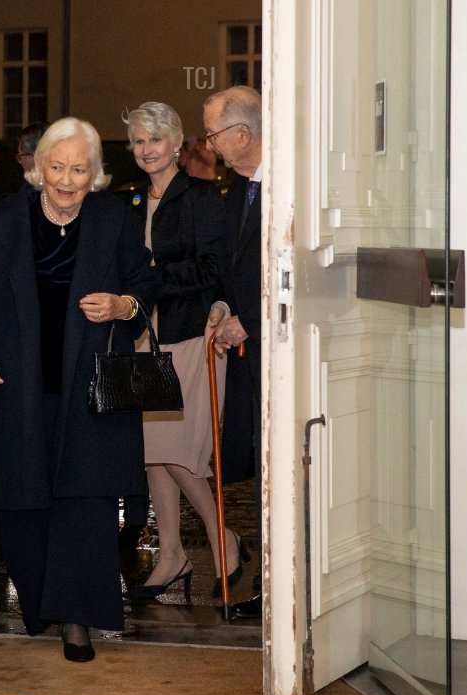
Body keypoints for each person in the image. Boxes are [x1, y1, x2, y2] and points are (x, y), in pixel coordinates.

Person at [0, 117, 157, 662]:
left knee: (85, 500)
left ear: (95, 175)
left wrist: (122, 305)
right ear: (38, 167)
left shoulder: (113, 218)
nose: (67, 179)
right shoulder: (7, 219)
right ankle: (39, 603)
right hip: (18, 384)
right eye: (58, 166)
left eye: (79, 169)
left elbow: (143, 285)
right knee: (25, 498)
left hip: (89, 385)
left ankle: (77, 619)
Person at [116, 102, 244, 604]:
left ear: (176, 143)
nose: (145, 149)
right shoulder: (129, 204)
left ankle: (222, 539)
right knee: (152, 453)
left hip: (192, 336)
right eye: (137, 141)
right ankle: (172, 554)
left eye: (154, 139)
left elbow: (211, 270)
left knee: (183, 455)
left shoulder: (201, 197)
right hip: (146, 338)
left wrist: (149, 279)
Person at [202, 85, 264, 620]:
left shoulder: (284, 191)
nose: (210, 144)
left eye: (213, 133)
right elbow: (232, 272)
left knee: (279, 472)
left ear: (243, 134)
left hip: (276, 357)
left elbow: (297, 284)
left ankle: (281, 587)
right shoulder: (236, 193)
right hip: (248, 361)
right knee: (264, 473)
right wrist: (223, 307)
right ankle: (270, 585)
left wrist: (254, 322)